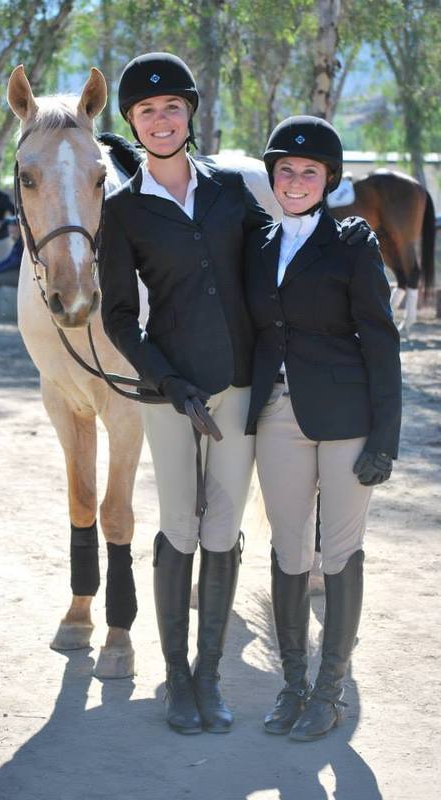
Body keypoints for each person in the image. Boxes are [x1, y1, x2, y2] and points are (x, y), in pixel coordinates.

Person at [99, 54, 373, 736]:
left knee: (224, 527)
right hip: (170, 393)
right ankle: (179, 682)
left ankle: (213, 677)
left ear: (189, 113)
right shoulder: (124, 210)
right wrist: (166, 379)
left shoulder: (229, 192)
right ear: (132, 124)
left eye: (171, 108)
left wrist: (351, 245)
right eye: (145, 112)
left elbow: (284, 256)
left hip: (240, 387)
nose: (160, 121)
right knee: (180, 526)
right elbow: (115, 317)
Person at [244, 116, 402, 741]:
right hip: (279, 417)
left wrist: (385, 438)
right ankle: (291, 686)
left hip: (346, 421)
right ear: (273, 176)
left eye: (310, 172)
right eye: (286, 169)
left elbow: (382, 344)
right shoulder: (256, 247)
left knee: (338, 555)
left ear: (328, 179)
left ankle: (329, 691)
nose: (296, 180)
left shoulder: (353, 245)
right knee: (288, 552)